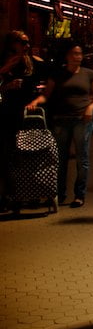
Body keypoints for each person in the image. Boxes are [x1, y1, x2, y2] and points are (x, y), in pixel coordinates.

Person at [26, 42, 93, 208]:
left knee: (82, 159)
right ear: (67, 56)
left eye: (80, 54)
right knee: (59, 159)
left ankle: (79, 195)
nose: (78, 57)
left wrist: (90, 107)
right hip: (61, 119)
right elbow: (46, 94)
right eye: (74, 54)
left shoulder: (89, 74)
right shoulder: (58, 74)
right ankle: (59, 194)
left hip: (82, 120)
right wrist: (35, 101)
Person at [0, 31, 45, 210]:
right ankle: (9, 195)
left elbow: (44, 86)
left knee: (28, 154)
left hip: (27, 115)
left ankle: (30, 194)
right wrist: (6, 85)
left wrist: (36, 100)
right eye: (23, 42)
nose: (26, 45)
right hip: (6, 114)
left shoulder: (31, 62)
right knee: (7, 156)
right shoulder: (4, 62)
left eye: (28, 42)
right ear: (13, 43)